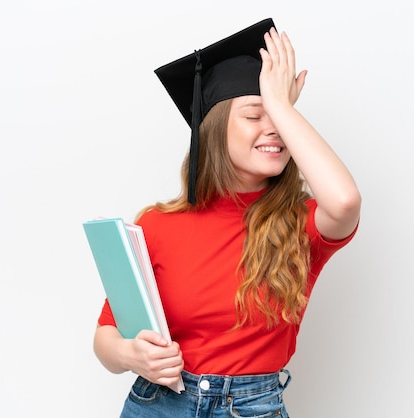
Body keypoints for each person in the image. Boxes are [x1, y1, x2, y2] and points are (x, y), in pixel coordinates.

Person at [93, 18, 361, 418]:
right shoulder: (156, 224)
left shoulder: (302, 224)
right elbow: (106, 336)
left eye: (280, 119)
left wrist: (280, 106)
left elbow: (344, 201)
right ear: (215, 129)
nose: (274, 130)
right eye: (255, 116)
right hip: (159, 404)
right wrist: (131, 354)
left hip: (251, 408)